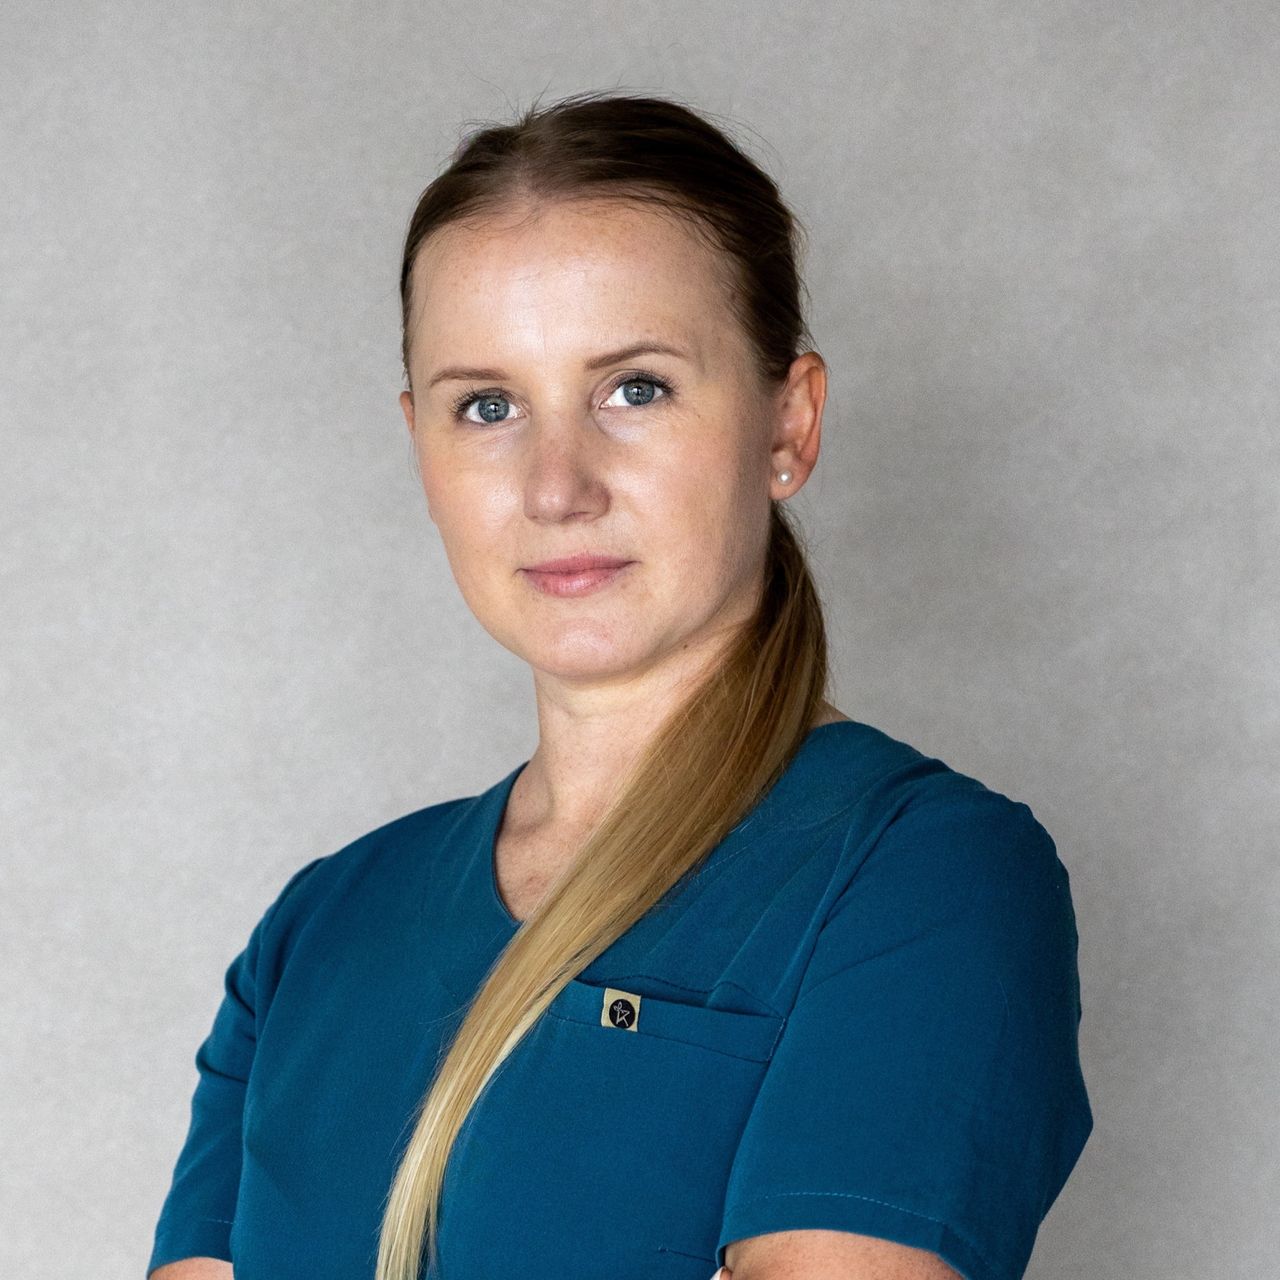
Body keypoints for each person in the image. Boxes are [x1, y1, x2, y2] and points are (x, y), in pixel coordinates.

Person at [146, 90, 1092, 1280]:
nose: (556, 485)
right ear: (419, 446)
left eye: (633, 387)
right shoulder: (319, 927)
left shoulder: (918, 876)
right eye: (486, 406)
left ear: (786, 426)